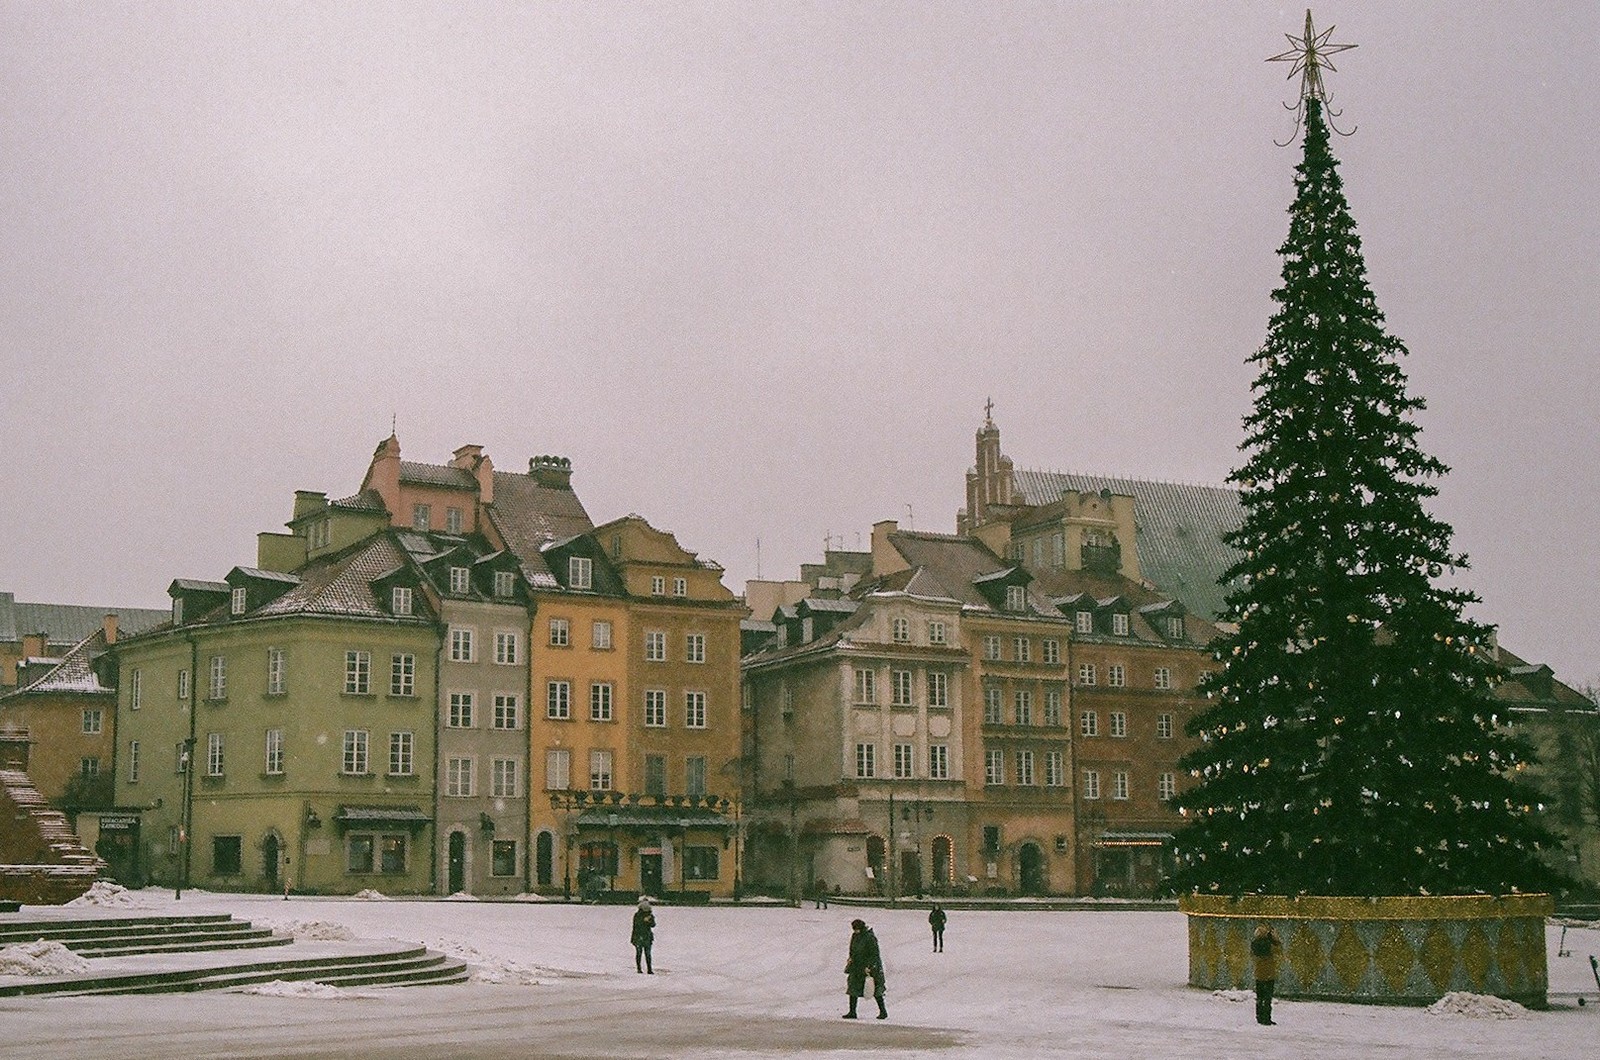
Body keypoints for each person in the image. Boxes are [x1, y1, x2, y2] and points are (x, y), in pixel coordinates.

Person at [843, 918, 887, 1020]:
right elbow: (852, 949)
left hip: (869, 967)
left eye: (856, 929)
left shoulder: (869, 937)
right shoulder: (855, 936)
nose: (855, 931)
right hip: (856, 966)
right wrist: (850, 958)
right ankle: (852, 1011)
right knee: (853, 988)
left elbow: (874, 954)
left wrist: (869, 966)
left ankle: (883, 1011)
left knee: (874, 989)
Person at [1251, 923, 1282, 1026]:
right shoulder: (1269, 945)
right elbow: (1278, 950)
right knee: (1267, 998)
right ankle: (1266, 1017)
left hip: (1259, 974)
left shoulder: (1254, 944)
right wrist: (1275, 939)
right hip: (1269, 974)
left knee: (1260, 997)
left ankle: (1259, 1016)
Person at [631, 896, 656, 974]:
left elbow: (653, 924)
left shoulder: (644, 915)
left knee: (642, 953)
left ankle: (645, 968)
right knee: (644, 953)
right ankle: (644, 968)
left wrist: (648, 921)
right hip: (642, 935)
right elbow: (637, 925)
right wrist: (645, 921)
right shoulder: (639, 915)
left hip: (642, 936)